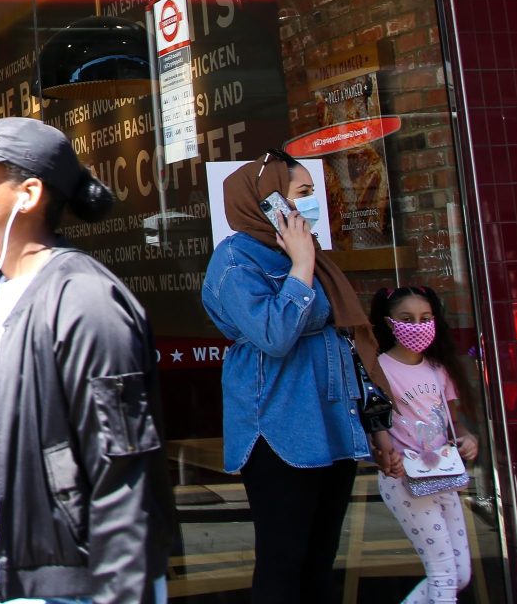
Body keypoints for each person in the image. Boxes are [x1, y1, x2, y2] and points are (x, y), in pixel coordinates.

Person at [0, 117, 174, 604]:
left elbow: (125, 469)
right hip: (5, 580)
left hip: (76, 587)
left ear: (28, 193)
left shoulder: (84, 300)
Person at [202, 149, 402, 604]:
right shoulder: (236, 262)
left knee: (320, 559)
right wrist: (300, 267)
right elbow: (274, 334)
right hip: (280, 428)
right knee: (283, 561)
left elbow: (347, 341)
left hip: (332, 420)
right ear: (267, 201)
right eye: (303, 194)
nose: (312, 206)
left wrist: (376, 424)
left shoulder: (311, 253)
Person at [369, 286, 478, 603]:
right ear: (390, 323)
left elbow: (451, 421)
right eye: (407, 318)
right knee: (444, 575)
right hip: (405, 480)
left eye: (425, 318)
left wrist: (467, 438)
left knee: (460, 575)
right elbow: (375, 423)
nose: (417, 325)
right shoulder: (380, 370)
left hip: (442, 475)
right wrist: (385, 452)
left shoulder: (438, 369)